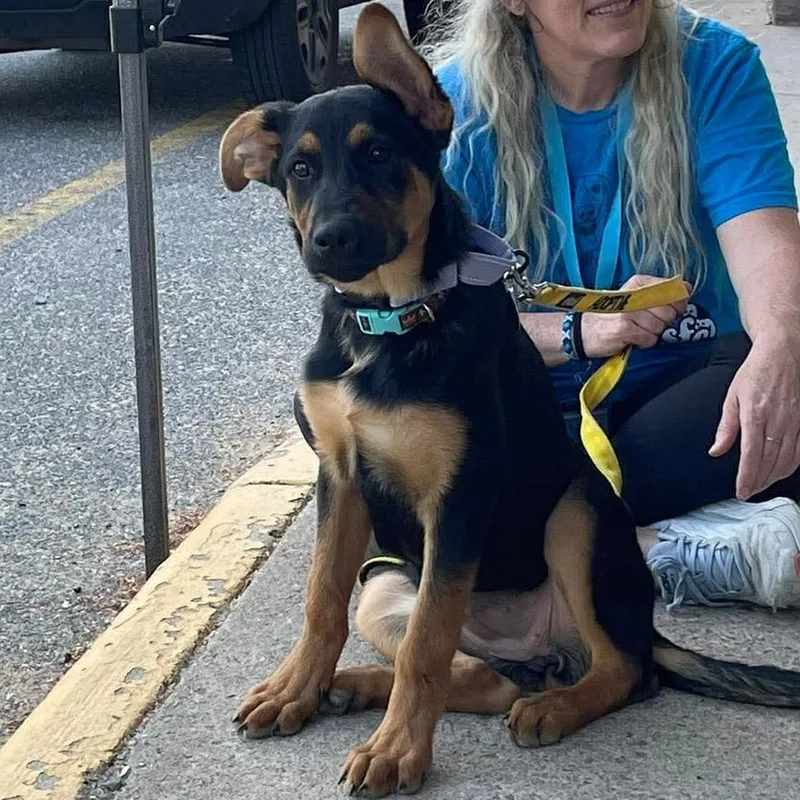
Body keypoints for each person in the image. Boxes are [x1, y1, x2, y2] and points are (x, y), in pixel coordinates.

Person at [409, 0, 800, 610]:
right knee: (354, 415)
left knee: (789, 356)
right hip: (526, 411)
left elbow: (766, 244)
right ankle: (663, 548)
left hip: (684, 391)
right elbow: (428, 319)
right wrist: (579, 331)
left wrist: (780, 353)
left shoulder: (714, 63)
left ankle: (552, 548)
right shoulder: (453, 108)